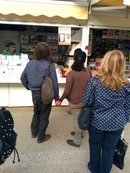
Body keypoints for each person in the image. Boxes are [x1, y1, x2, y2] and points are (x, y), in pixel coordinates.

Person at [82, 50, 130, 173]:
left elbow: (87, 101)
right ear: (122, 66)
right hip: (116, 124)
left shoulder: (95, 81)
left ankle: (94, 168)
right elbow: (128, 107)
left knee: (95, 147)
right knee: (109, 150)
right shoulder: (126, 84)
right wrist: (125, 121)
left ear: (105, 63)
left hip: (96, 123)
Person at [20, 42, 60, 143]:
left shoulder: (30, 63)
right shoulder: (49, 65)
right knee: (44, 115)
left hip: (34, 93)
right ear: (48, 53)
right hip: (46, 94)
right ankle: (41, 137)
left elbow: (22, 78)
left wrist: (29, 87)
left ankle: (34, 132)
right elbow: (54, 82)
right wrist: (56, 97)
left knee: (36, 112)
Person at [58, 51, 92, 147]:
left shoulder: (71, 74)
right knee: (82, 118)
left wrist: (60, 99)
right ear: (84, 60)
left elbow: (67, 91)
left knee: (76, 120)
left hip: (75, 102)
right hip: (86, 101)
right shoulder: (89, 72)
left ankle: (77, 140)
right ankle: (79, 133)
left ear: (74, 60)